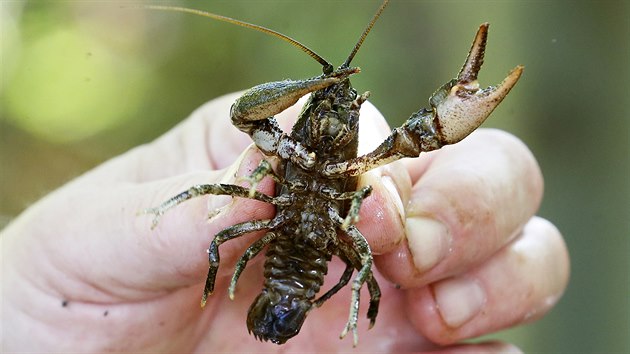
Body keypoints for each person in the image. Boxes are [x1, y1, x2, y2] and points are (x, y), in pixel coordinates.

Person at [1, 92, 569, 352]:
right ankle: (348, 310)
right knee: (237, 229)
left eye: (343, 105)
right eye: (323, 102)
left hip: (306, 258)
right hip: (281, 257)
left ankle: (351, 314)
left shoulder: (365, 166)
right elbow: (242, 136)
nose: (335, 111)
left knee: (369, 258)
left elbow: (365, 261)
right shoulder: (280, 152)